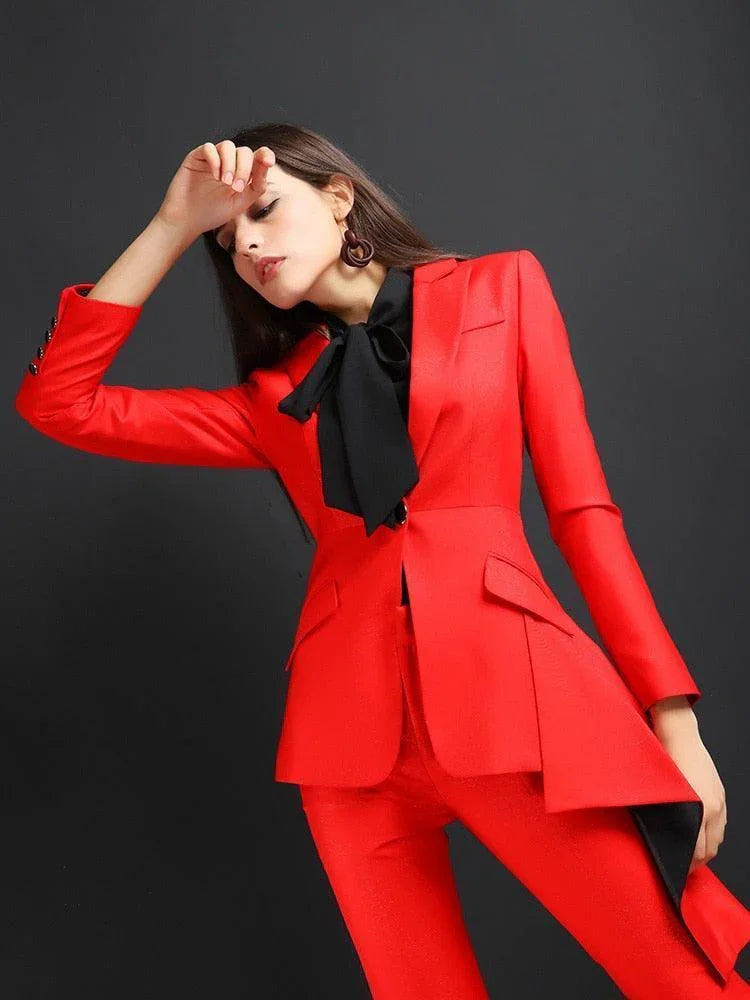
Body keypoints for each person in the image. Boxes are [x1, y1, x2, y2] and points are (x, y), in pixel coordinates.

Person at [15, 122, 750, 998]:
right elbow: (60, 403)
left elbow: (585, 516)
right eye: (226, 239)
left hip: (518, 717)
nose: (244, 243)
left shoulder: (502, 290)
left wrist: (674, 720)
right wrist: (173, 225)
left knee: (680, 982)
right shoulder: (274, 399)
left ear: (338, 197)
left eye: (261, 211)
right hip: (349, 752)